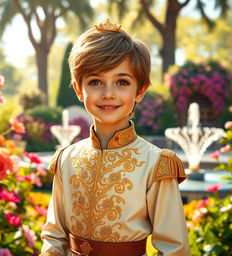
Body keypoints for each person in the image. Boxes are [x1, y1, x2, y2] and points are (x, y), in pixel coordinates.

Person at [40, 19, 190, 256]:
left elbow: (174, 248)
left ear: (139, 90)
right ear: (79, 89)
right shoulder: (66, 159)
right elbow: (54, 235)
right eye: (95, 81)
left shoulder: (156, 163)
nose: (108, 94)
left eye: (122, 82)